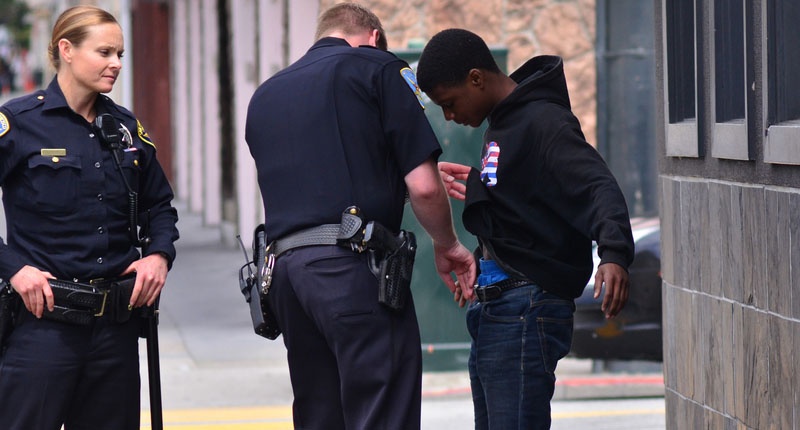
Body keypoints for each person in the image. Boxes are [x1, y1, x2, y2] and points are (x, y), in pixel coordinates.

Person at [244, 3, 476, 429]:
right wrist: (449, 246)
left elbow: (323, 184)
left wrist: (395, 181)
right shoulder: (379, 67)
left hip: (285, 280)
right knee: (381, 414)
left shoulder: (267, 94)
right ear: (373, 37)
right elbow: (425, 186)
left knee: (320, 415)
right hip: (352, 274)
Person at [416, 29, 635, 429]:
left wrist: (614, 253)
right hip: (498, 308)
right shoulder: (503, 124)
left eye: (449, 103)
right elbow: (530, 200)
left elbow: (595, 184)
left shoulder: (543, 121)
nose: (449, 116)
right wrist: (482, 185)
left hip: (524, 308)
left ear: (476, 78)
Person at [0, 6, 179, 430]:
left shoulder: (124, 128)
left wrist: (158, 256)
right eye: (104, 52)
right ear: (66, 49)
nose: (116, 63)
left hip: (114, 332)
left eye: (120, 53)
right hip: (42, 327)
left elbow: (160, 207)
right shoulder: (20, 123)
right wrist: (15, 270)